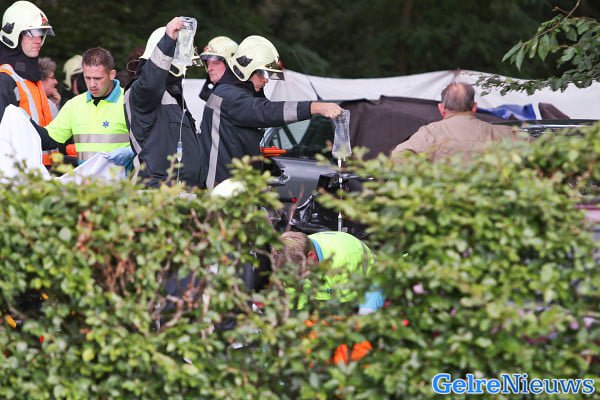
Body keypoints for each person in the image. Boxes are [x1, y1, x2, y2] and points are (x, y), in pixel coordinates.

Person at [200, 35, 342, 189]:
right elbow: (266, 111)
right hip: (223, 188)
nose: (266, 80)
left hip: (234, 184)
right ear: (246, 69)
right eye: (262, 73)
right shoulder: (228, 95)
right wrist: (314, 107)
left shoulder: (231, 92)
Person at [124, 17, 205, 188]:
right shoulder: (141, 92)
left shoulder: (173, 96)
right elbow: (151, 83)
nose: (185, 68)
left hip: (181, 192)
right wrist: (169, 40)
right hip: (156, 193)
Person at [38, 47, 130, 164]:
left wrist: (130, 152)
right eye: (87, 78)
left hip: (121, 176)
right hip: (85, 176)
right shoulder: (74, 105)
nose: (92, 84)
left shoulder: (129, 101)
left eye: (97, 78)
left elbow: (148, 143)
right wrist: (24, 121)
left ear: (112, 74)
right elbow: (49, 139)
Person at [391, 82, 522, 163]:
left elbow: (399, 157)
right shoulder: (503, 133)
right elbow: (533, 149)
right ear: (474, 107)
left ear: (441, 108)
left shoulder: (429, 133)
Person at [271, 230, 384, 315]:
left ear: (311, 256)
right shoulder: (295, 254)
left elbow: (345, 310)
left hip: (365, 288)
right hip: (327, 289)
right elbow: (293, 303)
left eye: (298, 272)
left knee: (365, 319)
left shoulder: (343, 261)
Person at [0, 1, 54, 126]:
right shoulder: (4, 80)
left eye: (41, 33)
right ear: (14, 35)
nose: (38, 40)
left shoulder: (30, 74)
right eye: (32, 33)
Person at [198, 35, 238, 101]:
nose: (209, 69)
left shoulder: (238, 97)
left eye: (215, 63)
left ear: (231, 65)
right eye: (208, 63)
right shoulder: (219, 93)